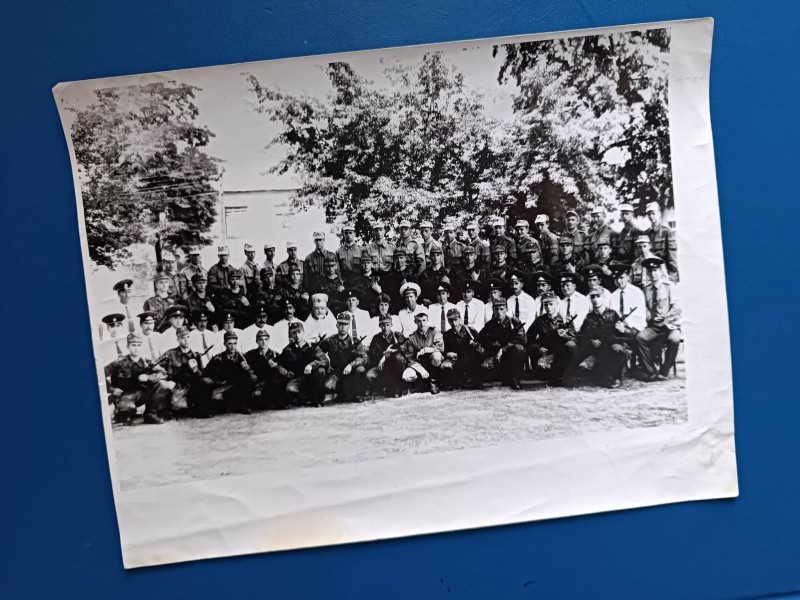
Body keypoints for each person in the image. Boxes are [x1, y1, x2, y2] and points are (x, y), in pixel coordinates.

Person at [106, 332, 170, 425]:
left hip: (142, 394)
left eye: (139, 345)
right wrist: (112, 389)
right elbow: (100, 375)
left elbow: (163, 373)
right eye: (133, 345)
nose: (136, 348)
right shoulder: (119, 363)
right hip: (124, 395)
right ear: (128, 346)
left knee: (163, 385)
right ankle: (119, 413)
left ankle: (150, 414)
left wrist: (148, 377)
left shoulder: (147, 362)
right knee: (128, 410)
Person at [636, 256, 682, 381]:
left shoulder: (669, 286)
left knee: (674, 340)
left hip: (671, 325)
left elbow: (677, 307)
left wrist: (666, 319)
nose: (653, 274)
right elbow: (644, 307)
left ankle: (664, 371)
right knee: (640, 337)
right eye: (650, 271)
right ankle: (651, 372)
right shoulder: (646, 289)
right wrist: (649, 316)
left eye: (655, 270)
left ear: (660, 271)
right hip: (654, 326)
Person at [576, 289, 628, 388]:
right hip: (598, 350)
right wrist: (591, 341)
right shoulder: (589, 317)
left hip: (612, 346)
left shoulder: (613, 314)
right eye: (592, 297)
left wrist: (622, 329)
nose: (595, 299)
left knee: (617, 349)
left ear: (603, 297)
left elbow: (624, 333)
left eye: (598, 296)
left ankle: (617, 378)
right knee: (588, 370)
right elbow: (582, 335)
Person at [160, 326, 214, 418]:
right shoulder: (170, 354)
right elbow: (157, 367)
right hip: (177, 387)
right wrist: (165, 380)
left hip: (193, 387)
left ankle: (200, 409)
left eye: (188, 337)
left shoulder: (196, 355)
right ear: (178, 339)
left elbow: (202, 375)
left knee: (205, 383)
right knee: (178, 408)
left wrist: (195, 370)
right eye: (182, 338)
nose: (186, 340)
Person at [527, 292, 579, 386]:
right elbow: (529, 338)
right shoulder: (540, 321)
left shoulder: (564, 320)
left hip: (561, 355)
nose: (548, 307)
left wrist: (565, 336)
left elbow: (575, 339)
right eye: (545, 305)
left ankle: (568, 374)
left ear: (556, 304)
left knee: (571, 347)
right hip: (545, 354)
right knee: (544, 371)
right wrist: (538, 348)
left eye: (551, 304)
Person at [477, 298, 527, 389]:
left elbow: (522, 340)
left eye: (501, 309)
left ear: (506, 309)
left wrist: (503, 349)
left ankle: (515, 378)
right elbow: (481, 338)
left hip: (510, 354)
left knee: (519, 349)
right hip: (495, 355)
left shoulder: (514, 322)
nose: (499, 312)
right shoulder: (490, 324)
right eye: (496, 309)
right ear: (493, 310)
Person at [319, 312, 369, 403]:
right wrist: (326, 363)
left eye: (345, 324)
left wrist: (351, 365)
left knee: (361, 370)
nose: (343, 327)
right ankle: (342, 393)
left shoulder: (354, 341)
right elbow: (318, 352)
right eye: (341, 324)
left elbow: (364, 358)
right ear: (337, 325)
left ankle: (358, 394)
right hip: (337, 372)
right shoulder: (330, 341)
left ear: (349, 326)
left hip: (352, 371)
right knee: (328, 386)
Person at [276, 321, 328, 406]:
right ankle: (302, 397)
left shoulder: (312, 347)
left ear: (303, 332)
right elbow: (279, 363)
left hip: (312, 378)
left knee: (321, 371)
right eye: (294, 333)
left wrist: (311, 365)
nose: (297, 335)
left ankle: (316, 399)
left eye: (299, 332)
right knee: (290, 389)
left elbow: (325, 361)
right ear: (291, 335)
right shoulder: (288, 350)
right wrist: (284, 371)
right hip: (297, 379)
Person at [204, 331, 256, 414]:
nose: (233, 347)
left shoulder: (243, 357)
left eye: (235, 343)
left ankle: (243, 405)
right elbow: (208, 372)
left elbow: (253, 373)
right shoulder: (218, 358)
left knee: (247, 379)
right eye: (229, 344)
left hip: (237, 385)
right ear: (224, 344)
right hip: (223, 385)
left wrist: (248, 368)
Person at [401, 311, 443, 395]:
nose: (422, 324)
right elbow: (410, 357)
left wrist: (426, 350)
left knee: (437, 355)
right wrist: (420, 369)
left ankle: (433, 382)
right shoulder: (412, 337)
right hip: (420, 364)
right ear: (415, 322)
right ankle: (418, 384)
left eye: (424, 320)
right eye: (419, 321)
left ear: (427, 320)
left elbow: (440, 347)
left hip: (433, 364)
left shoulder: (434, 331)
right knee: (406, 375)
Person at [440, 308, 483, 389]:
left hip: (471, 358)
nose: (453, 323)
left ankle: (475, 381)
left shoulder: (470, 331)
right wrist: (447, 353)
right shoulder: (447, 335)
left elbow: (480, 343)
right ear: (448, 321)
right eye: (451, 320)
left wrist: (475, 344)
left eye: (455, 320)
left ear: (460, 319)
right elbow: (443, 350)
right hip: (456, 359)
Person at [366, 315, 407, 397]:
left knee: (398, 359)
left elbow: (403, 349)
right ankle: (382, 387)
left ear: (391, 325)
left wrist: (385, 356)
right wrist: (383, 353)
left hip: (395, 366)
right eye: (383, 325)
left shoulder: (397, 336)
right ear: (379, 326)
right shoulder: (376, 338)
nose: (385, 328)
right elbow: (373, 354)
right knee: (369, 375)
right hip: (381, 366)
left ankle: (398, 388)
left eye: (388, 325)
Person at [244, 329, 285, 410]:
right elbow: (246, 370)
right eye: (261, 340)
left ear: (269, 340)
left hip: (270, 384)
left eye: (266, 339)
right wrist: (249, 371)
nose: (264, 342)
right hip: (256, 383)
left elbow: (281, 372)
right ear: (256, 341)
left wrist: (276, 366)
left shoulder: (275, 355)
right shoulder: (250, 355)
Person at [608, 261, 647, 333]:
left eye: (621, 278)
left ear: (628, 277)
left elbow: (640, 318)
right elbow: (612, 317)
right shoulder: (613, 296)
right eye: (616, 278)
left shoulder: (637, 293)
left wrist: (625, 327)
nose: (618, 281)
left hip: (634, 330)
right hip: (617, 329)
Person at [645, 202, 679, 281]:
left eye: (653, 213)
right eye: (649, 214)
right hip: (651, 272)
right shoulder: (646, 233)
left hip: (665, 271)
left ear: (659, 213)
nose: (651, 216)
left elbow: (672, 254)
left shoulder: (666, 231)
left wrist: (671, 274)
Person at [382, 248, 417, 314]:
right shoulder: (389, 277)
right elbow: (387, 294)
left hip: (408, 309)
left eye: (401, 258)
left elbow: (415, 294)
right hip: (394, 308)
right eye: (397, 258)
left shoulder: (411, 275)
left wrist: (406, 286)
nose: (399, 260)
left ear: (405, 258)